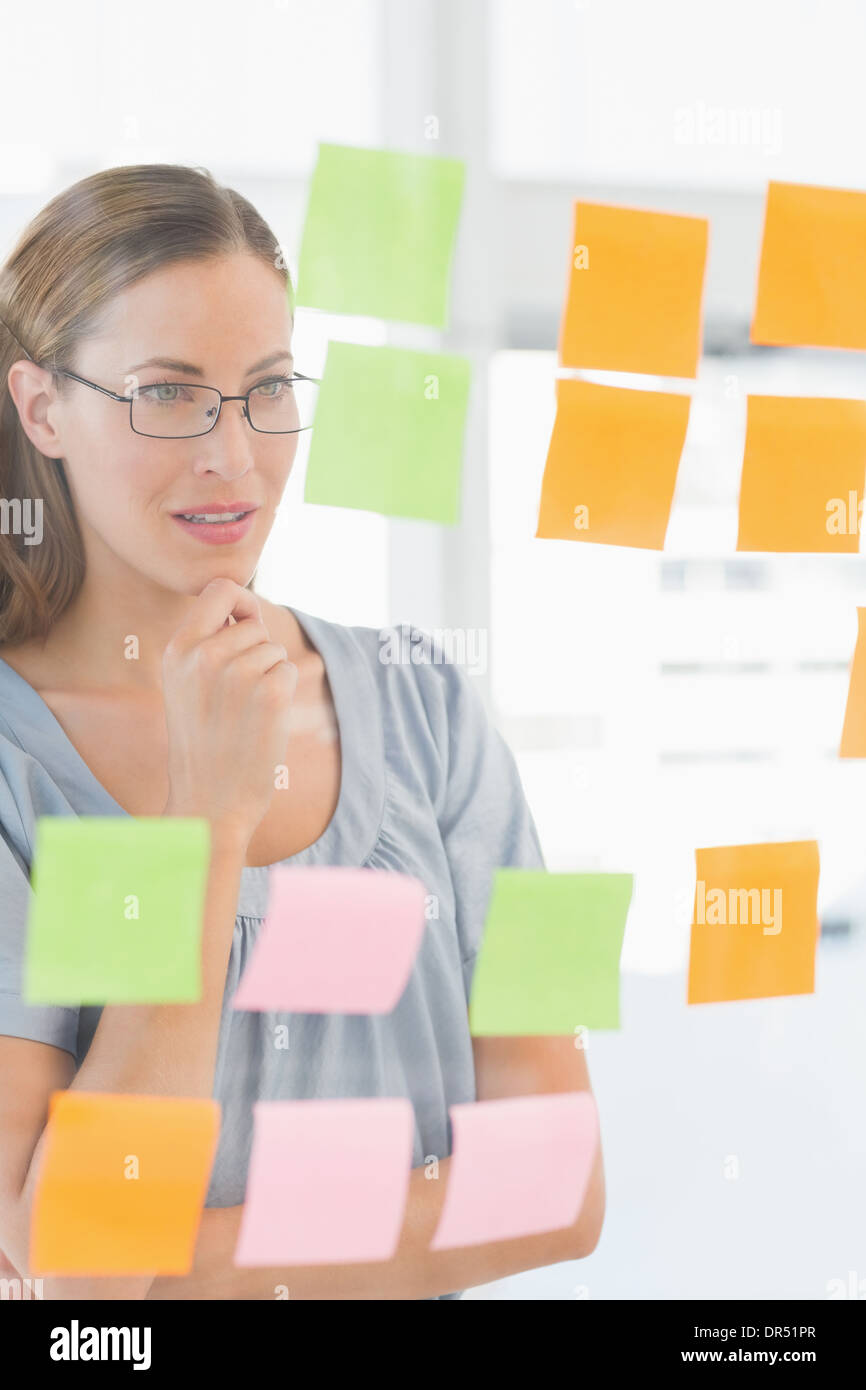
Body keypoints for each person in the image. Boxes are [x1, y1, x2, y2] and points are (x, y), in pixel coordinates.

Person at [0, 163, 604, 1300]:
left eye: (268, 388)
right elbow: (87, 1269)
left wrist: (182, 1263)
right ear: (42, 408)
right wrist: (206, 825)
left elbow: (567, 1184)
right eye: (168, 393)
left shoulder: (434, 705)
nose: (234, 455)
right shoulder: (14, 769)